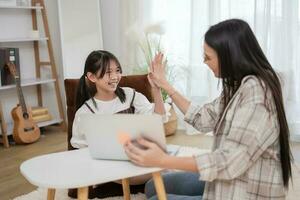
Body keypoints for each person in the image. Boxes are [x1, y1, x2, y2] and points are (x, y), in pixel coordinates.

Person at [124, 19, 293, 200]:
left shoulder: (257, 92)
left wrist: (163, 160)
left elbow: (228, 162)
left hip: (246, 190)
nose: (204, 62)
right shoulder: (238, 85)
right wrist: (164, 85)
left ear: (229, 56)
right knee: (153, 186)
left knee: (156, 198)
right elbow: (204, 118)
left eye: (208, 57)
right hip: (233, 178)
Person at [71, 50, 168, 198]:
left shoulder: (130, 95)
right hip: (111, 168)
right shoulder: (85, 113)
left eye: (117, 70)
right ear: (91, 77)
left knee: (167, 164)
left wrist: (156, 89)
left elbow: (158, 119)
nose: (115, 77)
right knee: (166, 168)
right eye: (107, 72)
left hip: (138, 156)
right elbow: (81, 151)